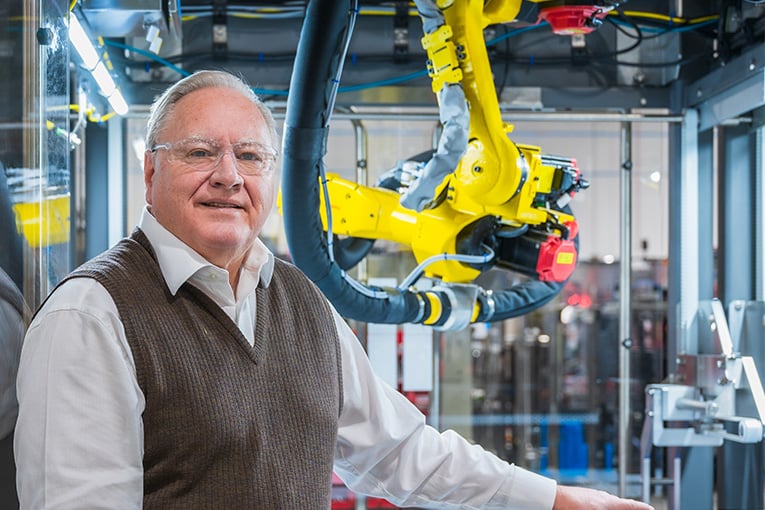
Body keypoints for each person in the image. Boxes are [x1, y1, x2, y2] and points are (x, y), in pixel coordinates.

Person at [15, 70, 653, 510]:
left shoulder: (300, 299)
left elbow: (402, 452)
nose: (229, 176)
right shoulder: (91, 315)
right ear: (151, 169)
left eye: (251, 156)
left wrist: (555, 497)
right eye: (200, 152)